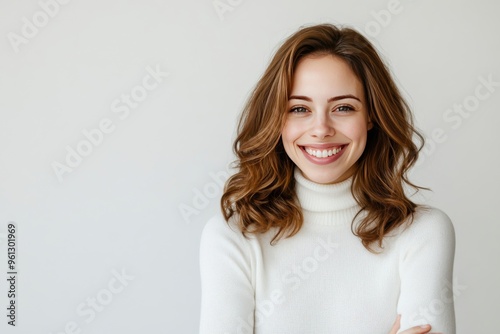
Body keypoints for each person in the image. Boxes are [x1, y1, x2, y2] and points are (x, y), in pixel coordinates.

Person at [199, 23, 455, 334]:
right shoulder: (233, 237)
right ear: (276, 119)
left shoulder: (423, 233)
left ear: (371, 116)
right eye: (299, 108)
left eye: (343, 107)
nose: (321, 129)